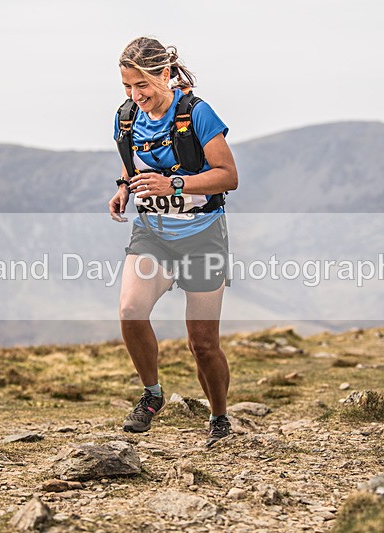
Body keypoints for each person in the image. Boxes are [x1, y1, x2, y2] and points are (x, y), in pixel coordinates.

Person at [108, 36, 238, 447]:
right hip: (154, 233)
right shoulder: (126, 118)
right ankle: (151, 395)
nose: (136, 95)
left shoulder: (197, 114)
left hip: (202, 235)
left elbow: (228, 176)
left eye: (143, 85)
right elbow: (136, 168)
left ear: (166, 74)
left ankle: (218, 416)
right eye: (128, 86)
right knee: (131, 310)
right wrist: (125, 189)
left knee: (202, 343)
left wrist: (174, 183)